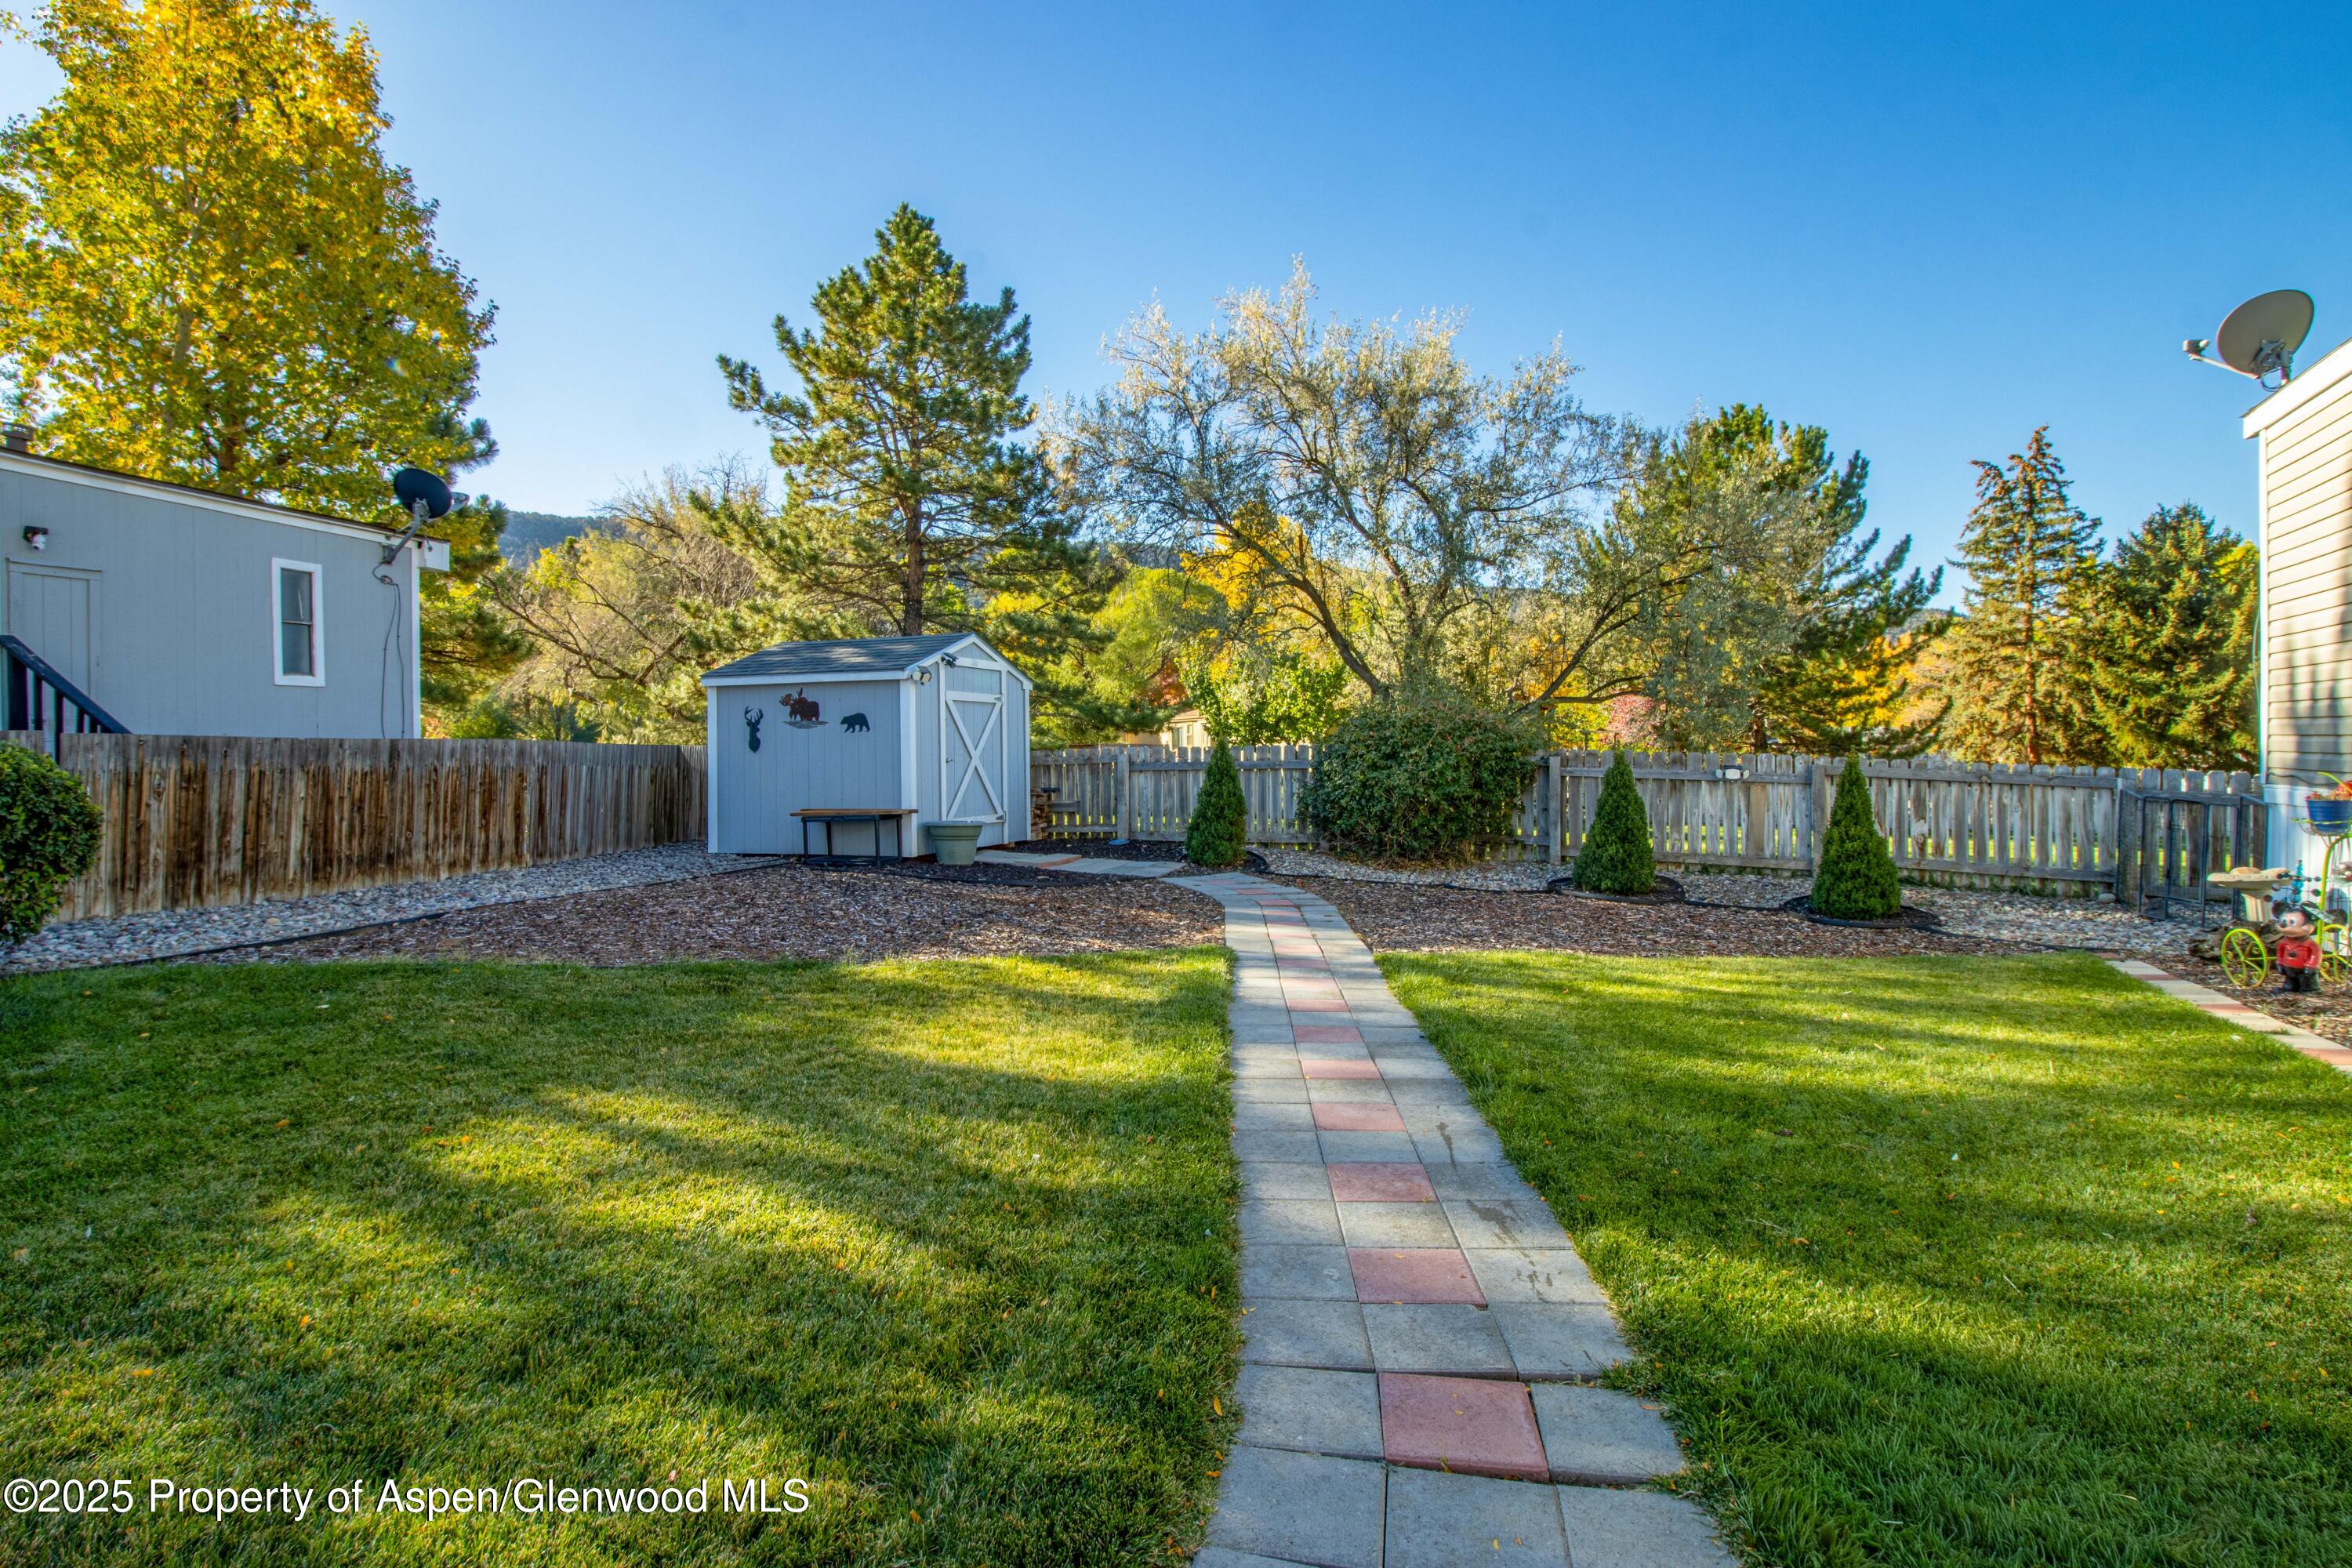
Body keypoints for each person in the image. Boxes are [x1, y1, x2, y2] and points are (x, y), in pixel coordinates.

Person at [2274, 902, 2323, 993]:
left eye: (2292, 922)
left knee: (2307, 982)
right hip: (2288, 967)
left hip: (2304, 968)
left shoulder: (2311, 944)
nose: (2285, 926)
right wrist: (2280, 963)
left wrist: (2311, 965)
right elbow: (2280, 953)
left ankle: (2311, 989)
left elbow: (2316, 955)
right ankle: (2290, 987)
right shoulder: (2283, 942)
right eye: (2284, 922)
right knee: (2290, 980)